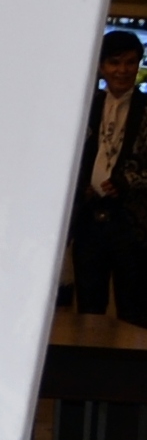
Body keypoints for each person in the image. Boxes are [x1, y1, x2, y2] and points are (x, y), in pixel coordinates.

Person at [68, 28, 147, 320]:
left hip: (133, 223)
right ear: (101, 66)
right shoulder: (83, 108)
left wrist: (126, 181)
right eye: (114, 62)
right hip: (89, 218)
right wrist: (80, 186)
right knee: (88, 306)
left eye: (130, 62)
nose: (122, 70)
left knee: (134, 307)